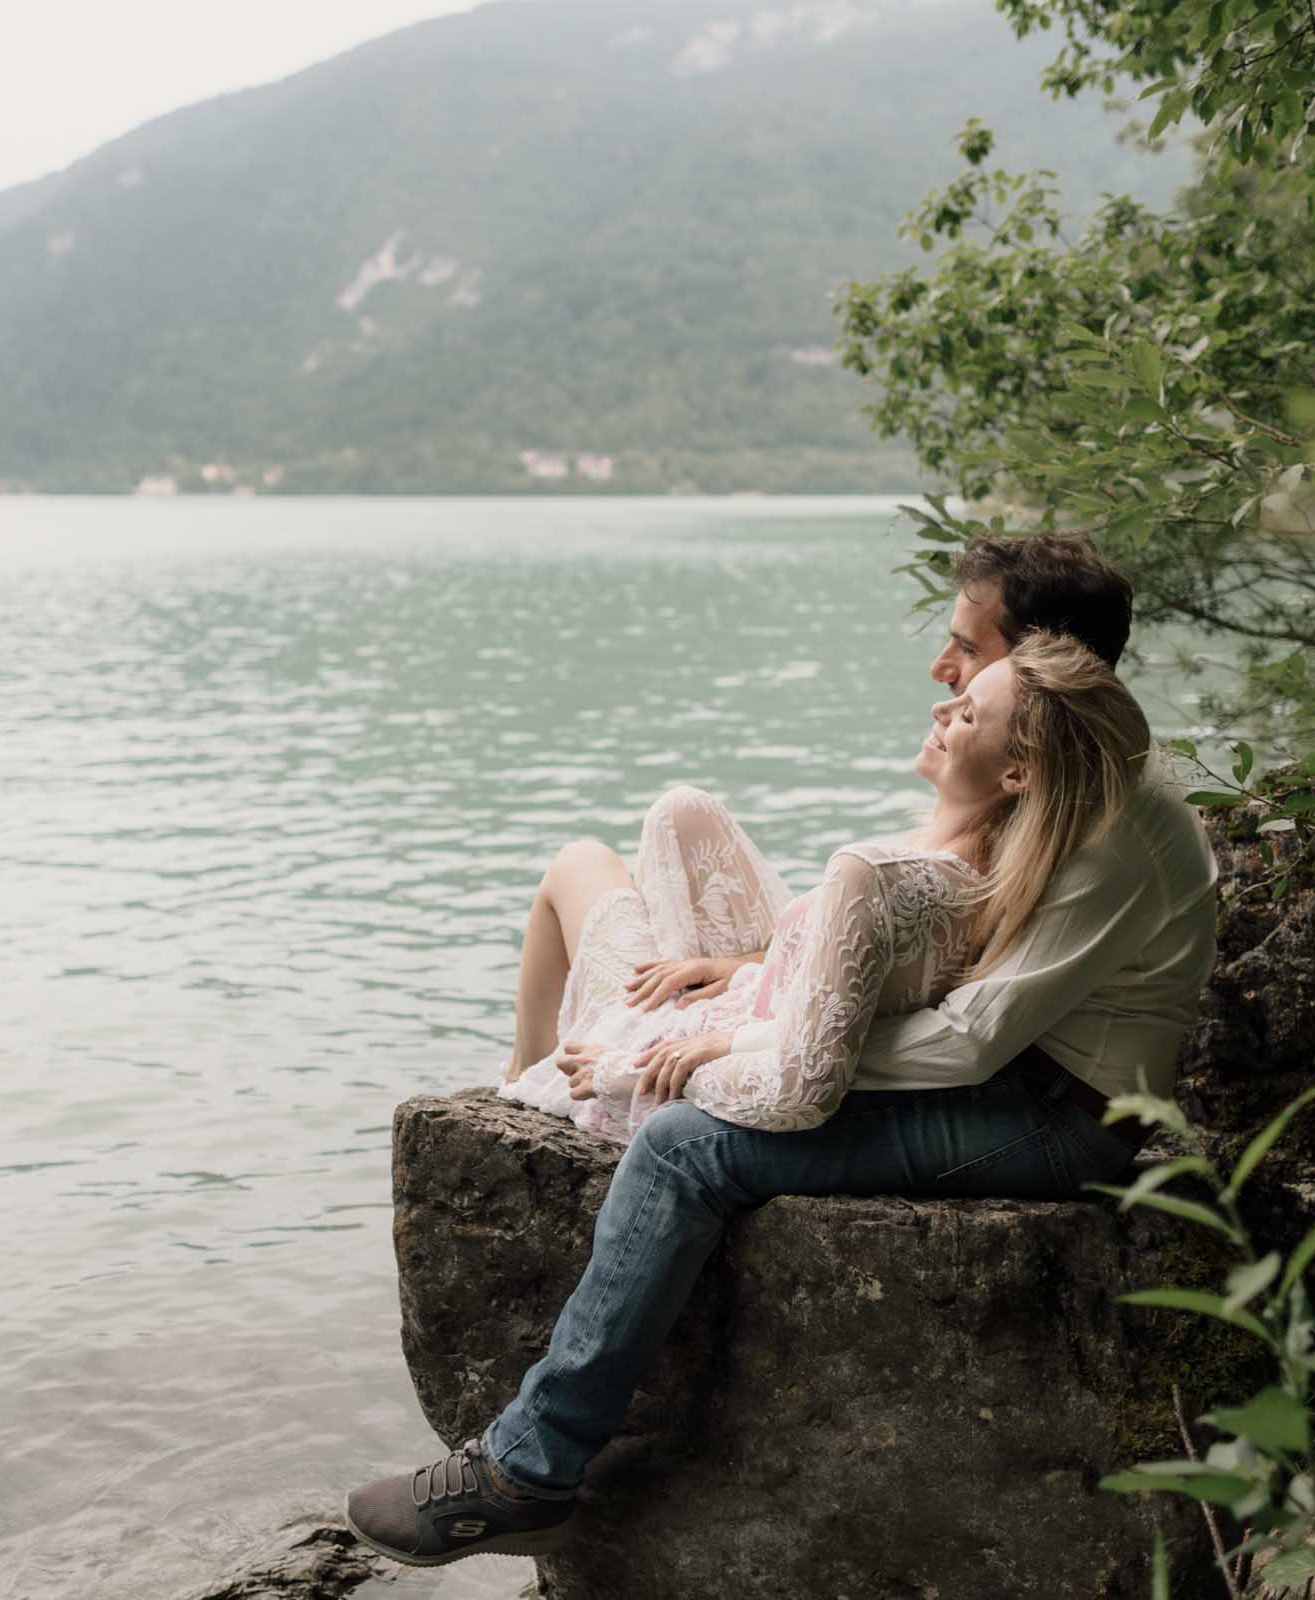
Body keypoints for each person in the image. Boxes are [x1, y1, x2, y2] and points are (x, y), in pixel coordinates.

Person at [344, 534, 1221, 1569]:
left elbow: (977, 1036)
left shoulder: (1112, 821)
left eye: (968, 654)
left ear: (1036, 666)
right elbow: (929, 984)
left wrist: (753, 1048)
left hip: (1058, 1113)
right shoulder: (1060, 781)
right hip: (1022, 1077)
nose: (947, 678)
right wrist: (765, 995)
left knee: (683, 1146)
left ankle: (527, 1470)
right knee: (692, 1069)